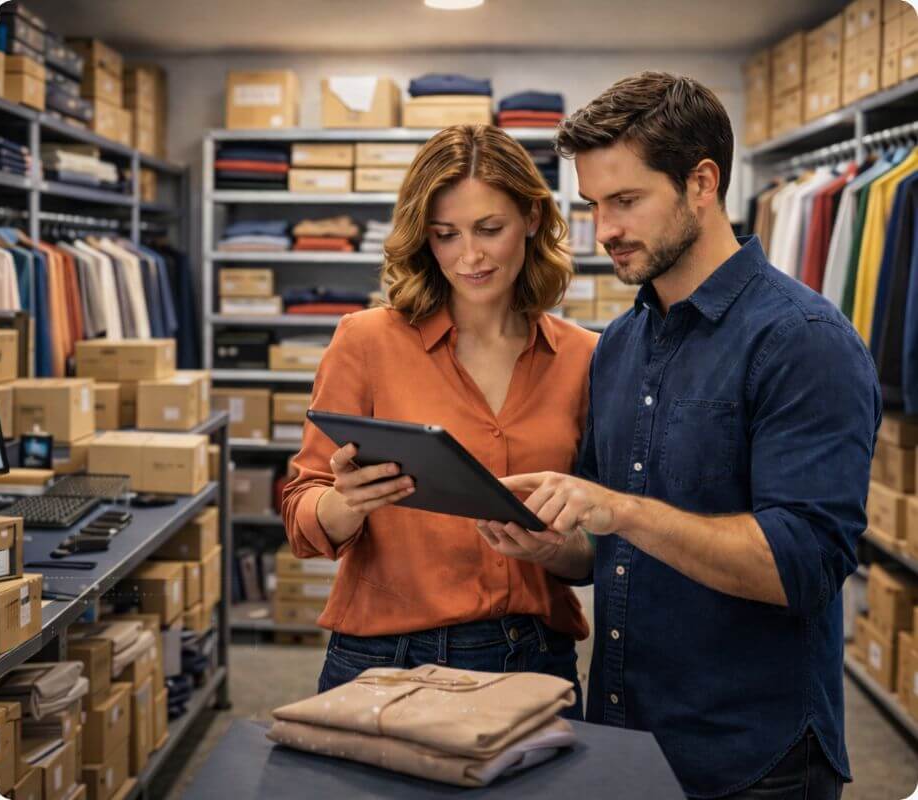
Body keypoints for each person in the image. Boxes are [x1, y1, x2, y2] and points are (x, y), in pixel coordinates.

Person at [477, 72, 880, 799]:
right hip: (626, 734)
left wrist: (617, 510)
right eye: (595, 205)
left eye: (626, 200)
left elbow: (805, 564)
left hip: (754, 757)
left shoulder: (805, 341)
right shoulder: (620, 345)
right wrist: (551, 544)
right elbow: (602, 552)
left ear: (701, 183)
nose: (605, 231)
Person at [281, 124, 598, 715]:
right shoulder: (366, 340)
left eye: (489, 229)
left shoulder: (584, 357)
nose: (469, 256)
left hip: (532, 656)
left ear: (532, 219)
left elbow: (594, 553)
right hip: (383, 657)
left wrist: (550, 549)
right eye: (445, 235)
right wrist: (348, 501)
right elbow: (302, 517)